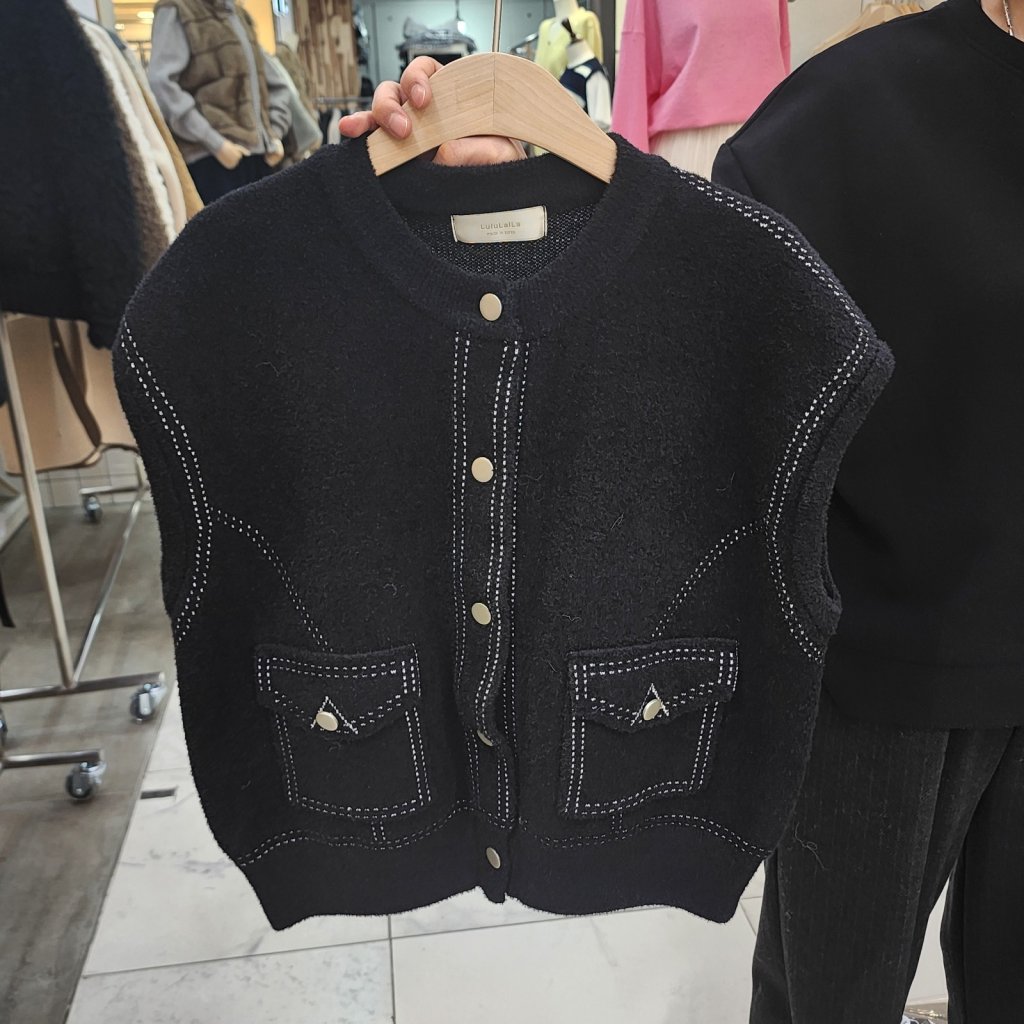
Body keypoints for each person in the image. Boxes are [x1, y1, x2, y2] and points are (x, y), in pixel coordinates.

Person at [340, 2, 1023, 1019]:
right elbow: (655, 365)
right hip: (890, 669)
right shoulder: (845, 119)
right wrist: (487, 226)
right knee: (833, 996)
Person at [149, 0, 292, 203]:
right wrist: (215, 143)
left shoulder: (236, 14)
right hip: (211, 160)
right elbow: (161, 83)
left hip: (258, 158)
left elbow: (276, 84)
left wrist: (273, 134)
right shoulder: (179, 9)